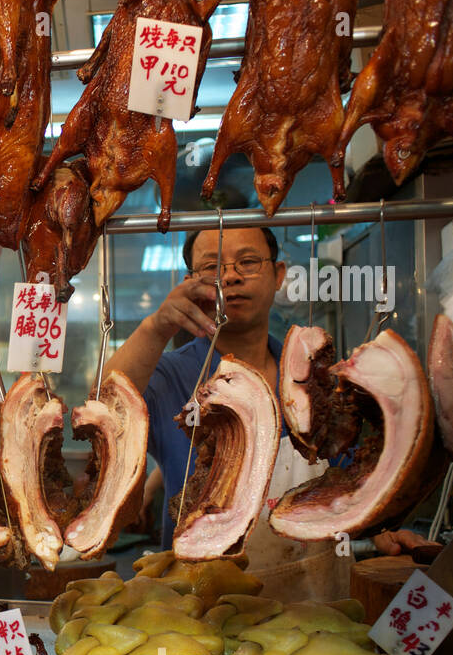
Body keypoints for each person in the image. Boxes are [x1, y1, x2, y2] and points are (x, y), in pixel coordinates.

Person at [110, 226, 427, 601]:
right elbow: (107, 406)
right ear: (190, 282)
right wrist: (156, 326)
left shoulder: (314, 375)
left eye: (247, 262)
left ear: (278, 275)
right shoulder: (172, 375)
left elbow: (349, 476)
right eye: (212, 267)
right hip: (201, 615)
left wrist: (378, 528)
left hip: (317, 613)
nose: (230, 275)